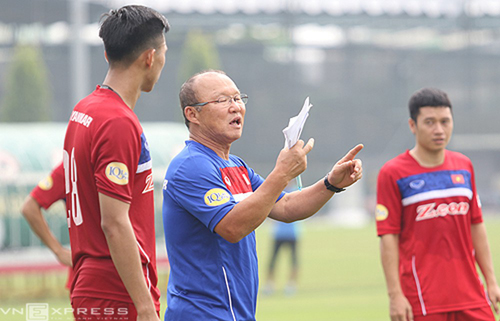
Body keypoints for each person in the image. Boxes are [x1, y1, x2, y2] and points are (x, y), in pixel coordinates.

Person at [162, 69, 363, 320]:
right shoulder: (191, 165)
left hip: (235, 313)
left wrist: (331, 184)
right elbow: (233, 227)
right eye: (223, 100)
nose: (235, 107)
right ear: (193, 114)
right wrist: (282, 173)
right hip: (203, 315)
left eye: (238, 98)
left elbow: (286, 206)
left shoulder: (236, 165)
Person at [63, 5, 169, 321]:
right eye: (163, 52)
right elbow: (114, 222)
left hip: (94, 285)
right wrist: (145, 307)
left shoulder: (86, 109)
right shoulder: (117, 122)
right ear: (150, 58)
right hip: (114, 291)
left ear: (108, 55)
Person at [376, 87, 500, 321]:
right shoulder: (393, 173)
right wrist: (395, 296)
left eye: (445, 121)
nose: (439, 130)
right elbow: (388, 236)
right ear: (413, 125)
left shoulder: (464, 166)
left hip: (472, 296)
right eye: (430, 122)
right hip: (422, 299)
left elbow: (476, 225)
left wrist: (492, 282)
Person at [21, 162, 74, 289]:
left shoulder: (124, 163)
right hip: (89, 274)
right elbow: (29, 207)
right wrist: (58, 251)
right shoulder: (69, 168)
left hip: (125, 265)